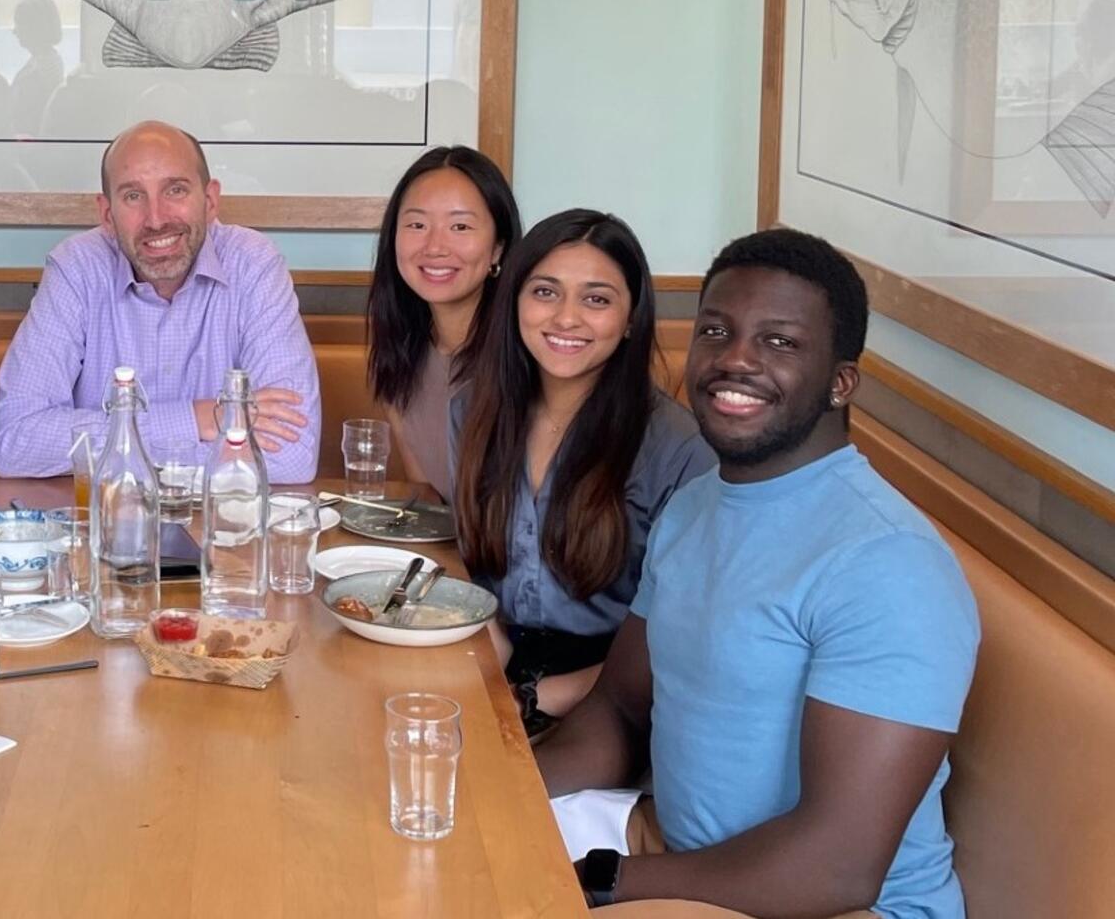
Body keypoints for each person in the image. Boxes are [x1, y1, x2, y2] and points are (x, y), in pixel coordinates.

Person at [536, 228, 979, 917]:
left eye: (779, 341)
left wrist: (599, 883)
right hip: (678, 853)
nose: (735, 359)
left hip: (827, 903)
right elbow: (620, 710)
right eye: (717, 329)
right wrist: (499, 787)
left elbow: (838, 867)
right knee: (424, 841)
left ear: (841, 382)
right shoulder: (694, 506)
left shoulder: (890, 565)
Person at [448, 210, 713, 731]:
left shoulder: (679, 448)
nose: (566, 318)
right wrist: (491, 674)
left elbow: (685, 639)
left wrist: (530, 700)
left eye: (596, 299)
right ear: (515, 302)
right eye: (545, 292)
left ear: (631, 317)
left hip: (616, 695)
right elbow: (476, 571)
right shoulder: (472, 410)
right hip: (495, 659)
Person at [0, 120, 321, 483]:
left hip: (224, 529)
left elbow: (292, 457)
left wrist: (120, 445)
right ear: (107, 215)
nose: (156, 218)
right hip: (105, 528)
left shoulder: (253, 265)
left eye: (175, 190)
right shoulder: (76, 269)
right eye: (133, 196)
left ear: (210, 201)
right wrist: (198, 419)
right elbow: (15, 442)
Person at [366, 145, 523, 500]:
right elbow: (430, 504)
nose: (435, 246)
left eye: (460, 226)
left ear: (498, 247)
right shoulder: (401, 351)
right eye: (417, 225)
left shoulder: (528, 356)